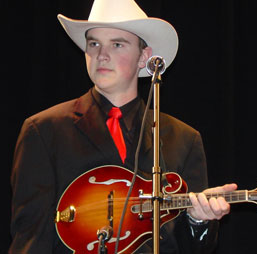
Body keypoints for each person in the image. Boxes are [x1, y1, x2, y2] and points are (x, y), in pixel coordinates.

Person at [9, 0, 237, 253]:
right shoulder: (44, 131)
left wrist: (199, 221)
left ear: (144, 57)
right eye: (94, 43)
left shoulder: (183, 139)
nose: (101, 54)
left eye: (117, 44)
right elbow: (30, 238)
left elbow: (191, 248)